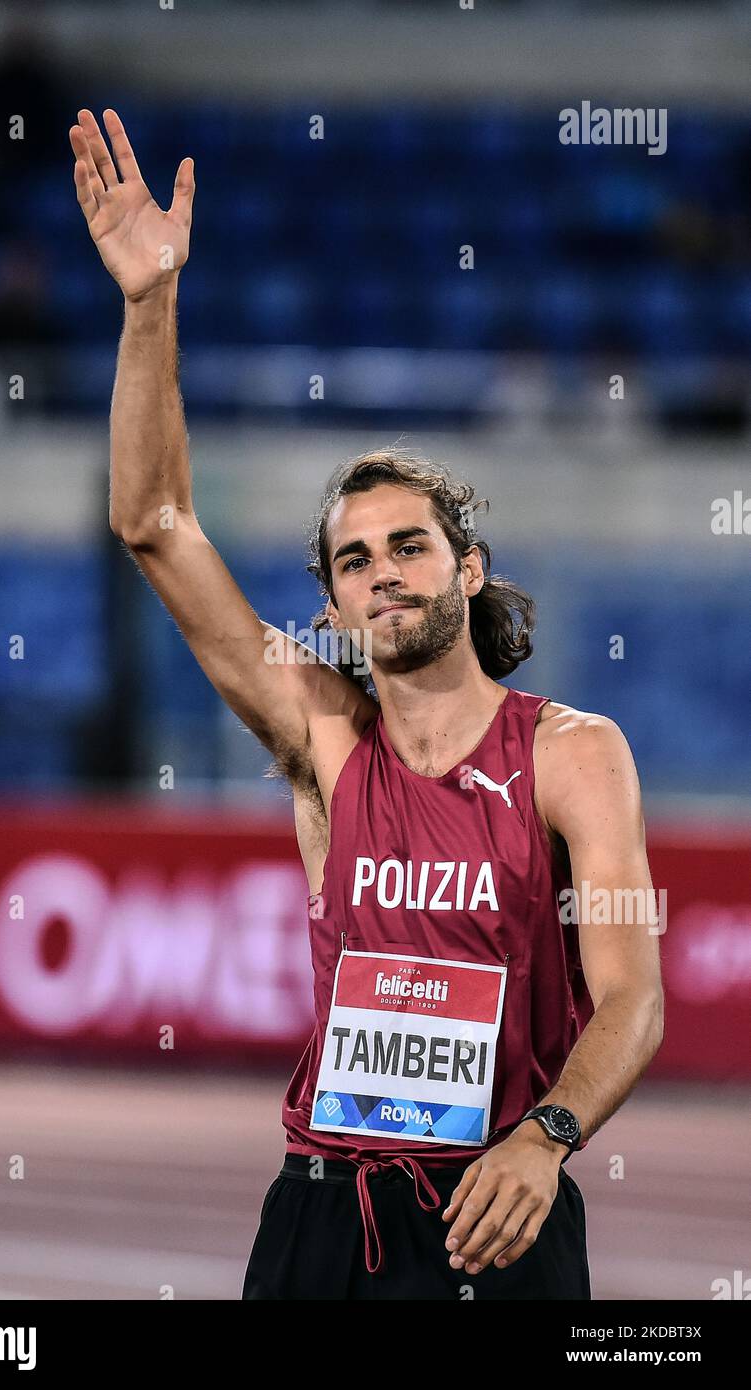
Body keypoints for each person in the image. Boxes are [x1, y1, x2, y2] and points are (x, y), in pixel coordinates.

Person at [69, 108, 665, 1301]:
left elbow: (632, 999)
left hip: (499, 1206)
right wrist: (149, 304)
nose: (384, 569)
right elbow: (153, 527)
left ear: (467, 567)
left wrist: (545, 1139)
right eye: (353, 559)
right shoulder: (323, 739)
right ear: (334, 606)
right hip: (319, 1216)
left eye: (409, 545)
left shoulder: (569, 754)